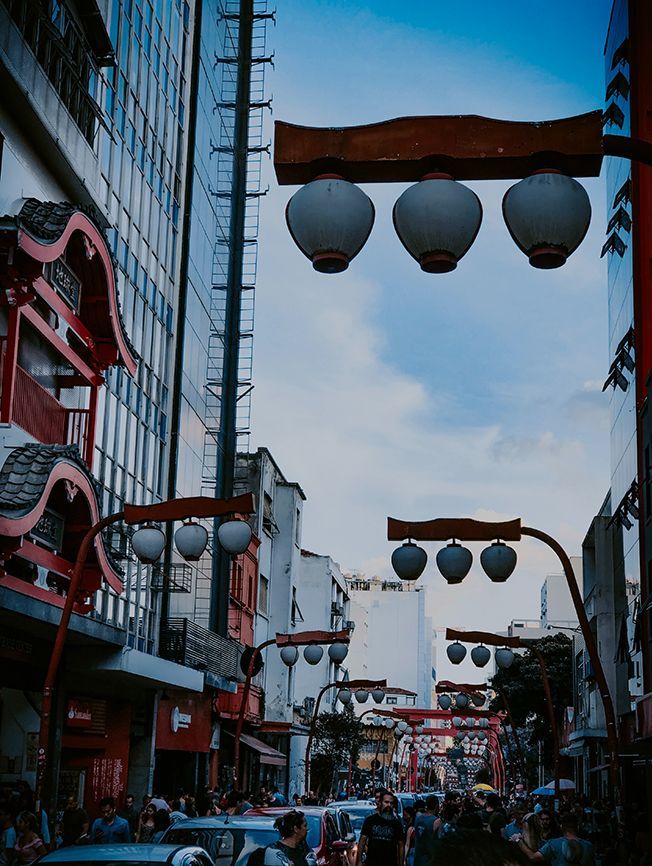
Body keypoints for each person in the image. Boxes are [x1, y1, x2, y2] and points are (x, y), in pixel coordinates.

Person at [356, 790, 404, 866]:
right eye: (386, 802)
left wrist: (401, 863)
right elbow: (362, 841)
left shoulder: (396, 824)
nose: (389, 805)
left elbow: (400, 845)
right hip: (372, 862)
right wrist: (359, 861)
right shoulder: (370, 821)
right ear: (380, 803)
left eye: (391, 803)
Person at [525, 815, 595, 866]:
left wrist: (518, 840)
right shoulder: (589, 846)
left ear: (561, 827)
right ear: (578, 827)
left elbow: (532, 857)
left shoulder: (553, 844)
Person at [411, 795, 441, 866]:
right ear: (437, 806)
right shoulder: (436, 821)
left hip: (418, 858)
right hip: (430, 859)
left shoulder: (418, 818)